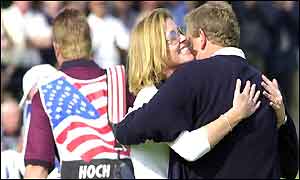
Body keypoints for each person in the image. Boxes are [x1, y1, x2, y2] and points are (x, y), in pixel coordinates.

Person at [115, 2, 298, 179]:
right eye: (172, 36)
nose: (184, 38)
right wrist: (235, 115)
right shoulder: (151, 94)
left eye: (180, 32)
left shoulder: (190, 83)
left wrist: (281, 117)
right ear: (153, 50)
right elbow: (188, 148)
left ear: (201, 38)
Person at [24, 8, 134, 179]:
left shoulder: (46, 92)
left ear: (56, 48)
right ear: (90, 43)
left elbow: (37, 170)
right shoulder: (121, 80)